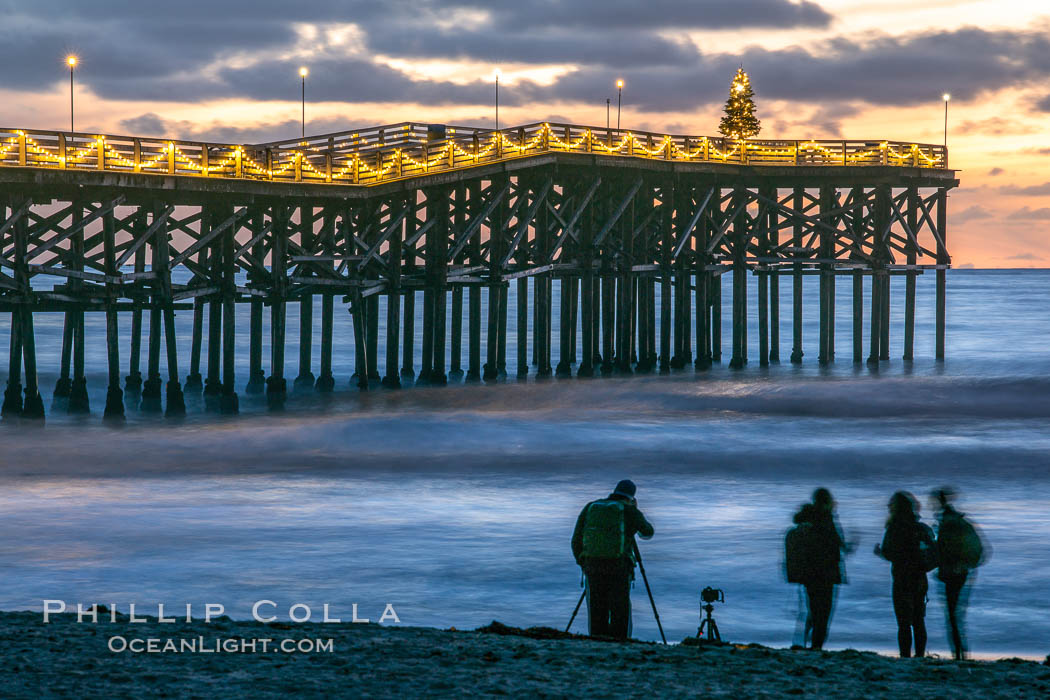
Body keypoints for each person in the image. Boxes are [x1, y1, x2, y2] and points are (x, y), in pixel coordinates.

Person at [570, 479, 654, 640]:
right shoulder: (629, 511)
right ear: (631, 497)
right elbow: (648, 533)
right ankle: (620, 642)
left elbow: (575, 540)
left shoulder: (591, 507)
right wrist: (635, 511)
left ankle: (597, 641)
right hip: (619, 567)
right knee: (619, 610)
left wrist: (583, 563)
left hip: (592, 566)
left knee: (597, 609)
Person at [786, 488, 853, 651]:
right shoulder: (827, 519)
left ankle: (802, 641)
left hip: (808, 573)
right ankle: (816, 645)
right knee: (823, 612)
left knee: (812, 608)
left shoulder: (805, 519)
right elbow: (839, 545)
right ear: (828, 501)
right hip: (827, 572)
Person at [875, 491, 936, 658]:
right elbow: (934, 552)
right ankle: (920, 655)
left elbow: (890, 553)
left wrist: (880, 553)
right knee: (918, 620)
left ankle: (905, 656)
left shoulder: (895, 528)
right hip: (920, 577)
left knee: (903, 623)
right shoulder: (921, 528)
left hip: (902, 577)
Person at [931, 487, 986, 660]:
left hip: (952, 572)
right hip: (962, 571)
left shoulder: (948, 522)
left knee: (953, 616)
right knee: (957, 616)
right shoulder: (957, 520)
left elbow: (945, 549)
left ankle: (959, 655)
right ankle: (961, 654)